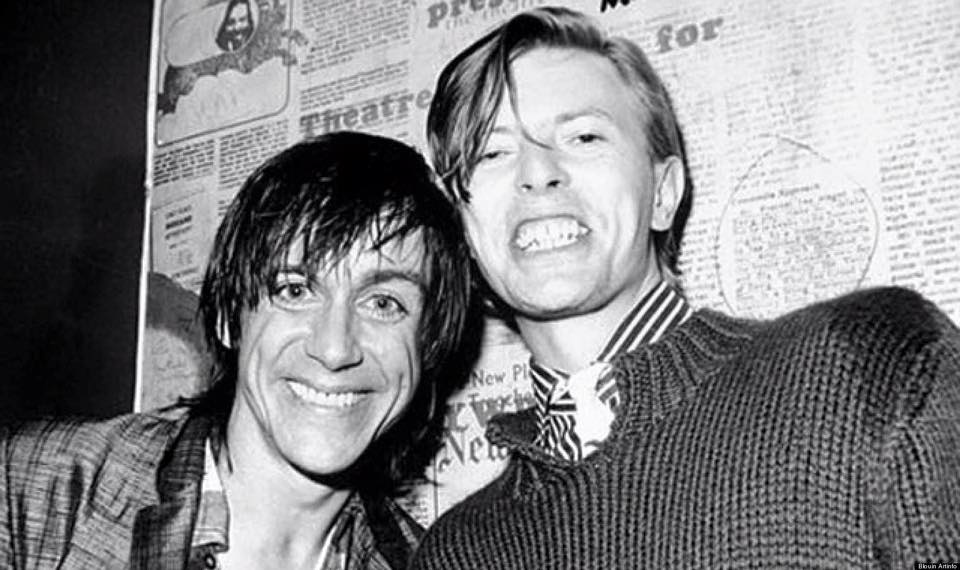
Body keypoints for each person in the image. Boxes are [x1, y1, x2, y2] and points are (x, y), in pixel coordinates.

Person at [413, 6, 960, 568]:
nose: (537, 172)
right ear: (464, 231)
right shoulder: (453, 555)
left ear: (664, 193)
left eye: (583, 136)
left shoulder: (872, 365)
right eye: (493, 153)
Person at [0, 132, 471, 569]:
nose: (334, 349)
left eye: (383, 303)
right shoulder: (34, 492)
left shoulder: (426, 562)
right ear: (229, 316)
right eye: (294, 290)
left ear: (427, 345)